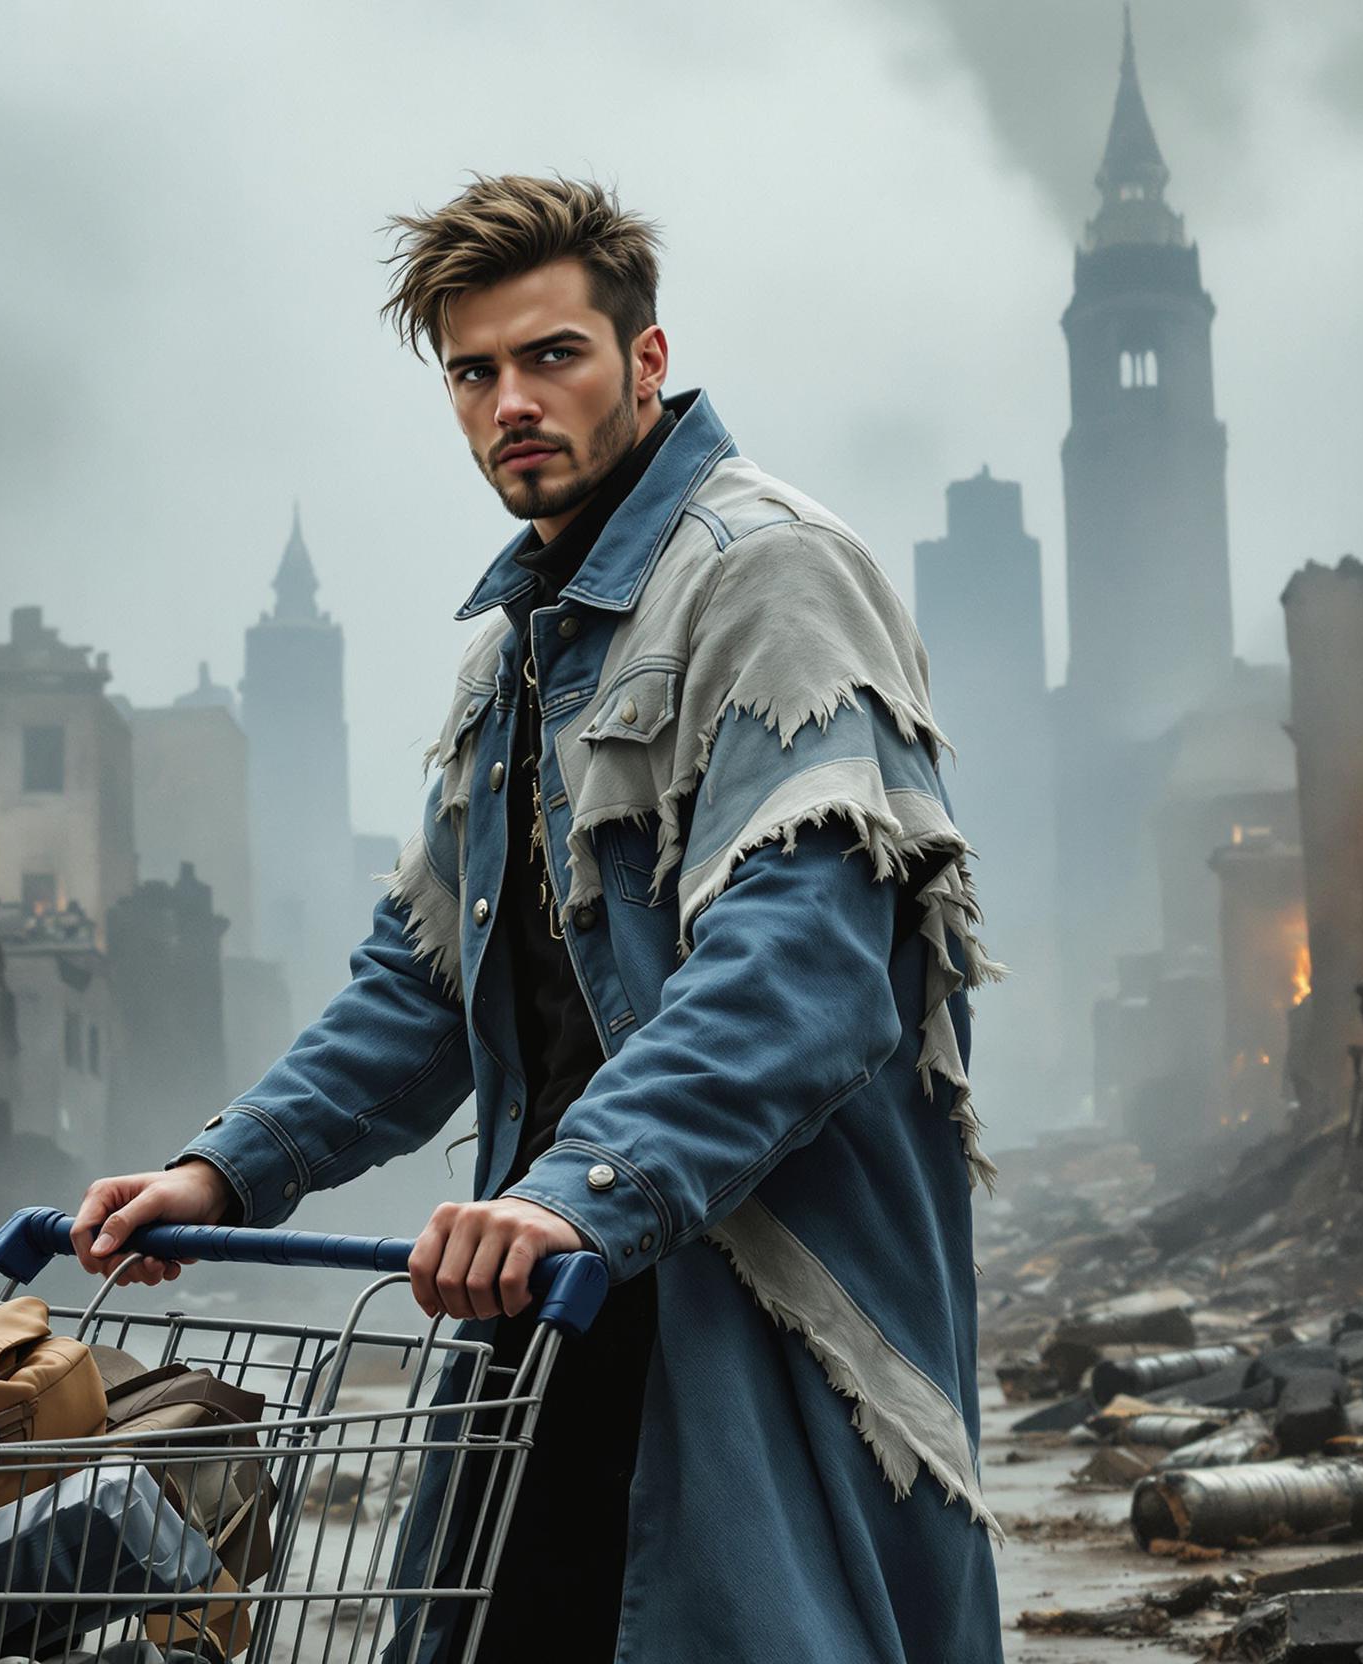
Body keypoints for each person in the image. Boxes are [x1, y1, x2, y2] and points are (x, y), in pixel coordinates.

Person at [72, 173, 1002, 1663]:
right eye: (474, 371)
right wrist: (221, 1171)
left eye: (552, 355)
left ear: (645, 359)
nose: (512, 400)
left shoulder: (768, 577)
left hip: (749, 1307)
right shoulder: (514, 656)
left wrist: (579, 1189)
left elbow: (801, 966)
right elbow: (425, 987)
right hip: (549, 1306)